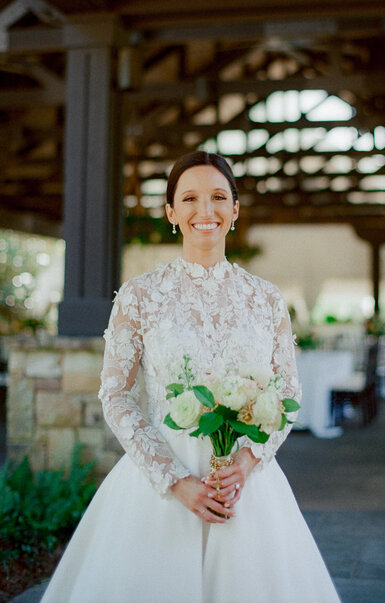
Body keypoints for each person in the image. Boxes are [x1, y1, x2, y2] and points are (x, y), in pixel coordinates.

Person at [42, 151, 340, 603]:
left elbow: (287, 392)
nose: (206, 211)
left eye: (219, 197)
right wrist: (175, 479)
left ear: (235, 211)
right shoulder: (139, 297)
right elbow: (117, 395)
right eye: (191, 198)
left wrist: (246, 462)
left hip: (246, 485)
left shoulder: (267, 299)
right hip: (160, 484)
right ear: (171, 212)